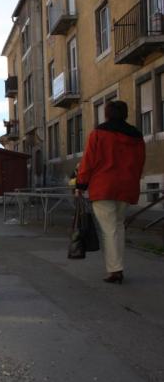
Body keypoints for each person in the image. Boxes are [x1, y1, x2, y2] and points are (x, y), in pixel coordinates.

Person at [75, 100, 145, 284]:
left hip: (103, 186)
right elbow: (140, 162)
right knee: (118, 226)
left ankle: (115, 270)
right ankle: (116, 266)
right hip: (126, 186)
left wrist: (81, 185)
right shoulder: (136, 136)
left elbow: (88, 161)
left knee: (110, 229)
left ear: (106, 114)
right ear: (125, 113)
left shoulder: (98, 133)